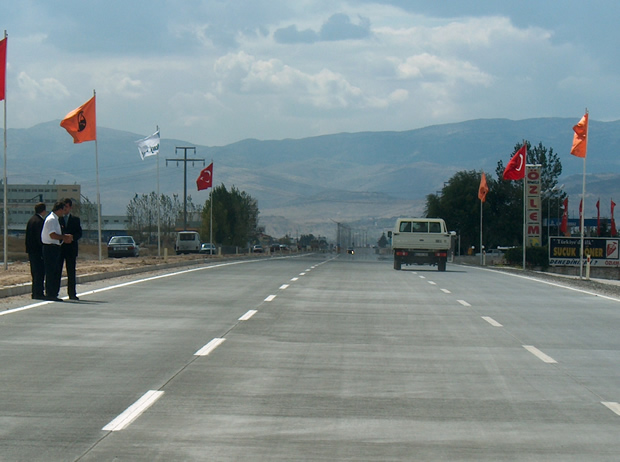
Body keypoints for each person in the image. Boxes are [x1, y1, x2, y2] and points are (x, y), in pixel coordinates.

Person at [41, 201, 73, 302]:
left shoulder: (56, 219)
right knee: (51, 271)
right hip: (50, 247)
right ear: (59, 209)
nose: (63, 212)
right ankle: (50, 293)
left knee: (55, 271)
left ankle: (53, 293)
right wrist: (64, 237)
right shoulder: (51, 219)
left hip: (55, 247)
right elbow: (52, 235)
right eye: (63, 210)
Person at [60, 198, 82, 300]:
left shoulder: (75, 220)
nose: (65, 209)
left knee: (71, 272)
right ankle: (53, 292)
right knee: (57, 271)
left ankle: (72, 293)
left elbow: (79, 233)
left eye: (67, 207)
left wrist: (72, 237)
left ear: (70, 207)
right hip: (59, 248)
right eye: (63, 207)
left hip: (71, 249)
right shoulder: (57, 219)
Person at [25, 202, 47, 300]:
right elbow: (40, 238)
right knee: (40, 272)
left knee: (34, 272)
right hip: (38, 251)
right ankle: (39, 292)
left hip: (31, 251)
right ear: (43, 211)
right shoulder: (40, 222)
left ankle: (35, 292)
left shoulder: (31, 220)